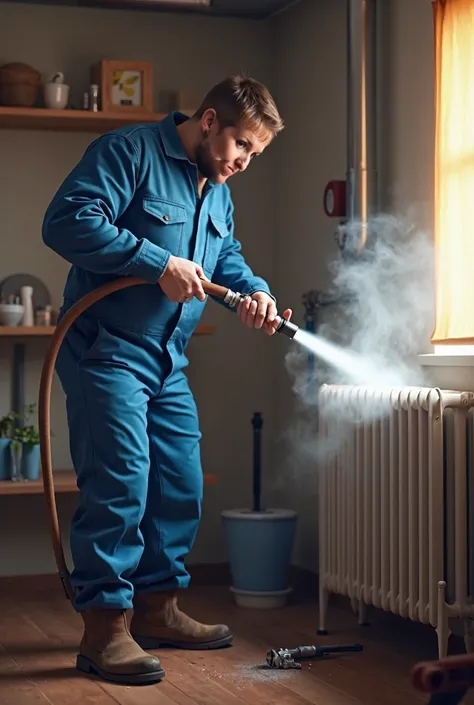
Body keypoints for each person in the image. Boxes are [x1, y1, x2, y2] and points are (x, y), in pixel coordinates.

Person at [42, 74, 292, 686]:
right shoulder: (128, 153)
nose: (244, 162)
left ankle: (157, 610)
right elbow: (66, 222)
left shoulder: (218, 189)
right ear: (208, 121)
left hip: (168, 360)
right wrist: (155, 262)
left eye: (255, 154)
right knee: (120, 483)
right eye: (240, 146)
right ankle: (104, 629)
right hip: (107, 351)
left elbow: (222, 257)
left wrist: (253, 293)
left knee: (180, 482)